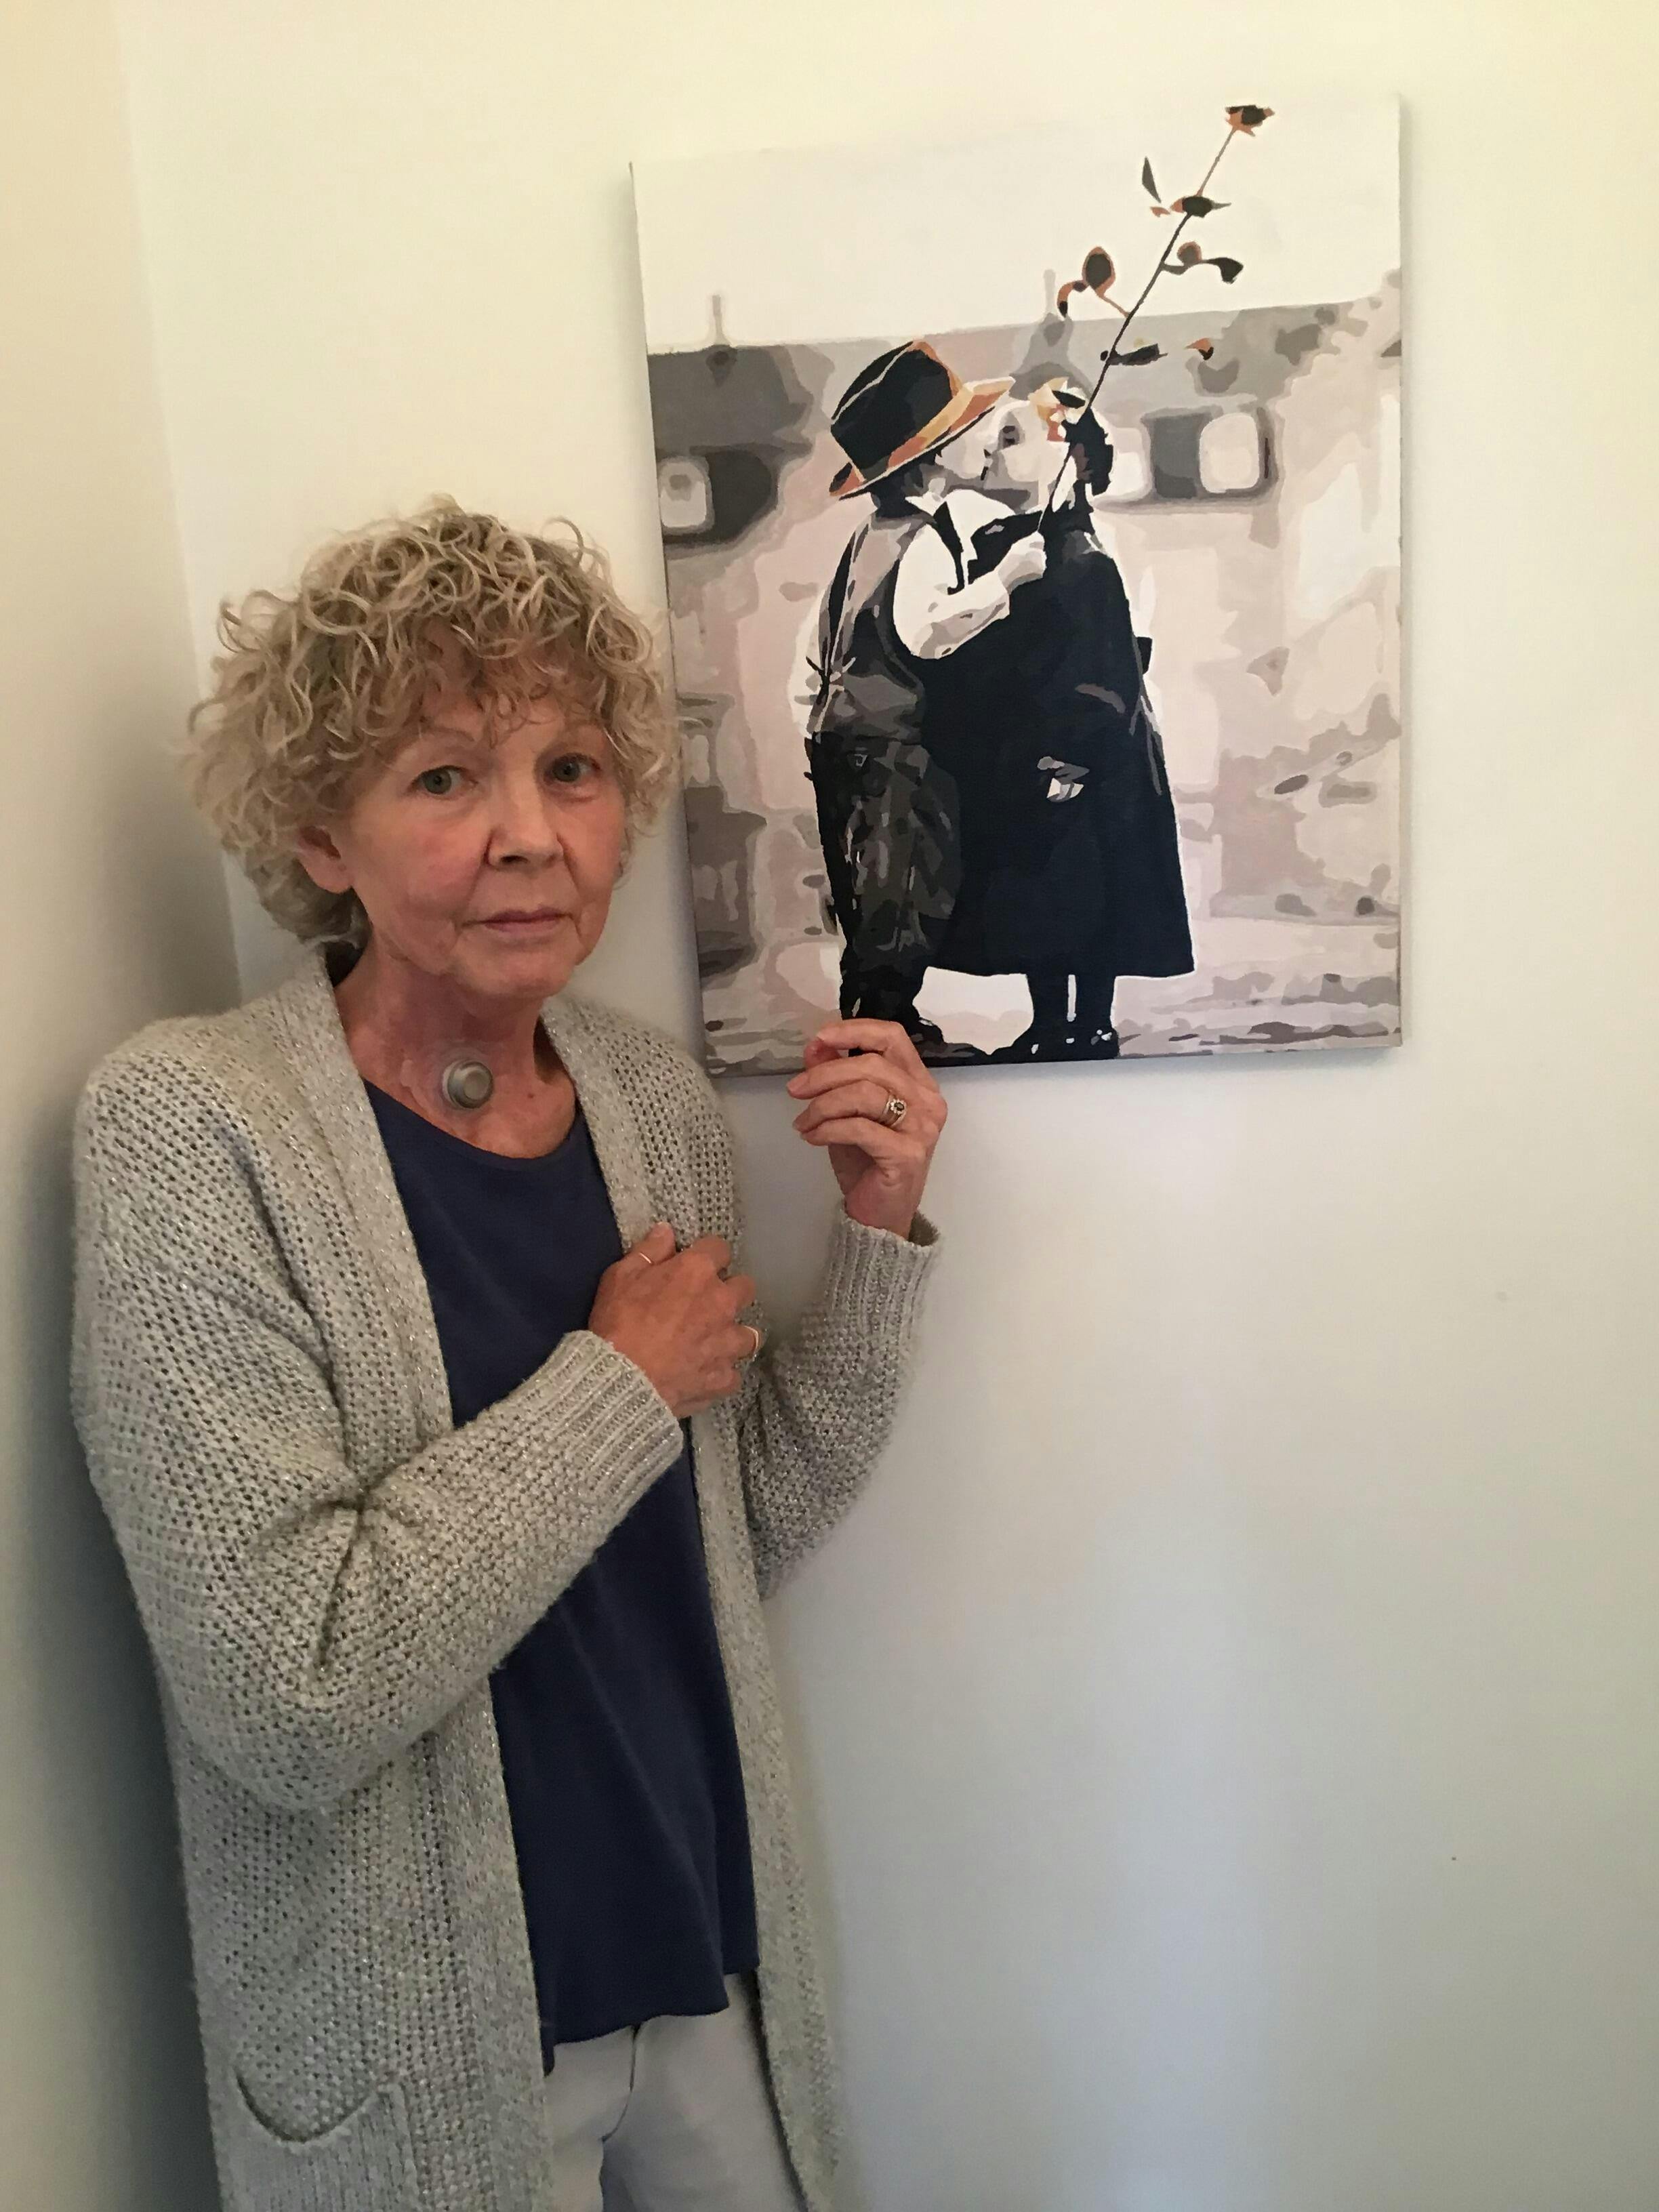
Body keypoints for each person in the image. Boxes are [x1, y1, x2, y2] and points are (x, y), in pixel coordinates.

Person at [69, 499, 948, 2212]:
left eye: (570, 769)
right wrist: (616, 1384)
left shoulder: (650, 1106)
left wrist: (875, 1230)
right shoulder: (192, 1128)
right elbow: (289, 1686)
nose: (529, 837)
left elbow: (732, 1526)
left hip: (699, 1949)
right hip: (423, 2031)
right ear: (322, 836)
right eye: (443, 778)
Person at [796, 340, 1048, 1059]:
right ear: (932, 458)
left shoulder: (866, 537)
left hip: (843, 738)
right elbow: (925, 633)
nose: (985, 438)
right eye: (966, 429)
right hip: (893, 744)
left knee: (867, 888)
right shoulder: (923, 537)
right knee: (905, 887)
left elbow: (819, 649)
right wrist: (1007, 580)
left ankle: (879, 1021)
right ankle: (888, 1030)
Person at [929, 382, 1195, 1060]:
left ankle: (1092, 1022)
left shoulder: (1082, 558)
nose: (994, 451)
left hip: (1083, 757)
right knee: (1041, 897)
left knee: (1089, 891)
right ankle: (1049, 1023)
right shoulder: (1010, 549)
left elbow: (1103, 671)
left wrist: (1070, 758)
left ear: (1069, 460)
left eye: (1014, 438)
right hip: (1028, 751)